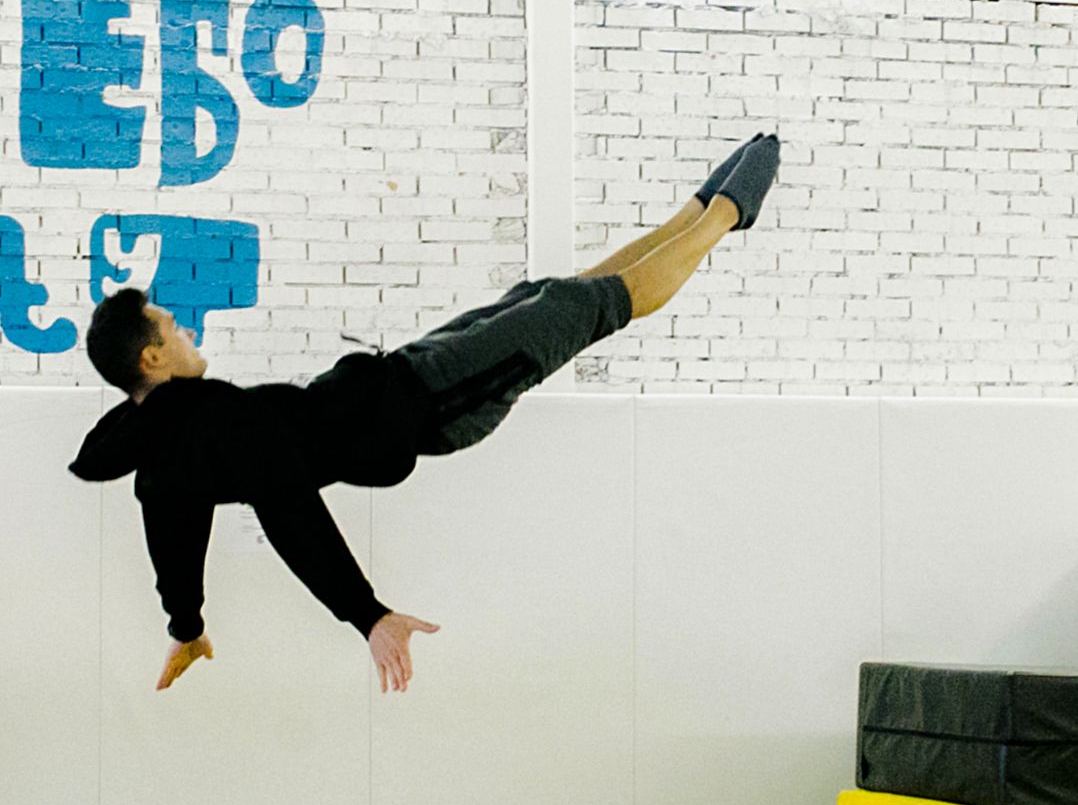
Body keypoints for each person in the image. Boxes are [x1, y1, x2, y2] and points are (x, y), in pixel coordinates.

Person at [70, 133, 780, 695]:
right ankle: (726, 214)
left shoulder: (161, 446)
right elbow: (288, 511)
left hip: (409, 370)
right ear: (153, 358)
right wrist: (368, 615)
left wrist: (186, 626)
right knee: (582, 309)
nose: (186, 329)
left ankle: (692, 214)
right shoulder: (204, 424)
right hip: (438, 401)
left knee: (551, 295)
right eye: (172, 327)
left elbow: (173, 541)